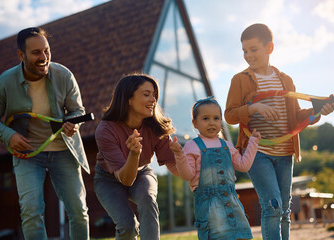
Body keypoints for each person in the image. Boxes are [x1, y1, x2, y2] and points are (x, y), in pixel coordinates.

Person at [224, 23, 334, 240]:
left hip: (285, 152)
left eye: (253, 49)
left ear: (269, 48)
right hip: (257, 153)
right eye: (245, 50)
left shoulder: (285, 80)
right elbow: (229, 115)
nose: (248, 55)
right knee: (272, 205)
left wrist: (318, 111)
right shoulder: (240, 80)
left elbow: (296, 117)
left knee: (284, 210)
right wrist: (254, 107)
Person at [0, 27, 90, 240]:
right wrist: (8, 135)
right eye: (36, 53)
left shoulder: (64, 74)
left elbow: (78, 110)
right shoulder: (4, 82)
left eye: (47, 51)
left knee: (79, 211)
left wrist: (73, 122)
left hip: (63, 150)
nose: (44, 57)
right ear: (20, 55)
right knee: (31, 212)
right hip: (28, 155)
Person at [94, 73, 179, 240]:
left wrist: (196, 168)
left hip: (142, 173)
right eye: (146, 94)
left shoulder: (156, 127)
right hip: (109, 179)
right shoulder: (105, 130)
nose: (153, 100)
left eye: (154, 95)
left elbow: (174, 165)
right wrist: (134, 154)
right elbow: (125, 179)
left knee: (148, 199)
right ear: (128, 99)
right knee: (128, 227)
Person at [169, 96, 261, 240]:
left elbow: (244, 166)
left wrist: (253, 142)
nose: (212, 123)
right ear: (195, 123)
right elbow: (188, 175)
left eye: (216, 118)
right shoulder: (192, 146)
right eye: (205, 118)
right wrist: (179, 154)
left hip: (232, 202)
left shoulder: (227, 145)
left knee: (240, 237)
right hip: (210, 208)